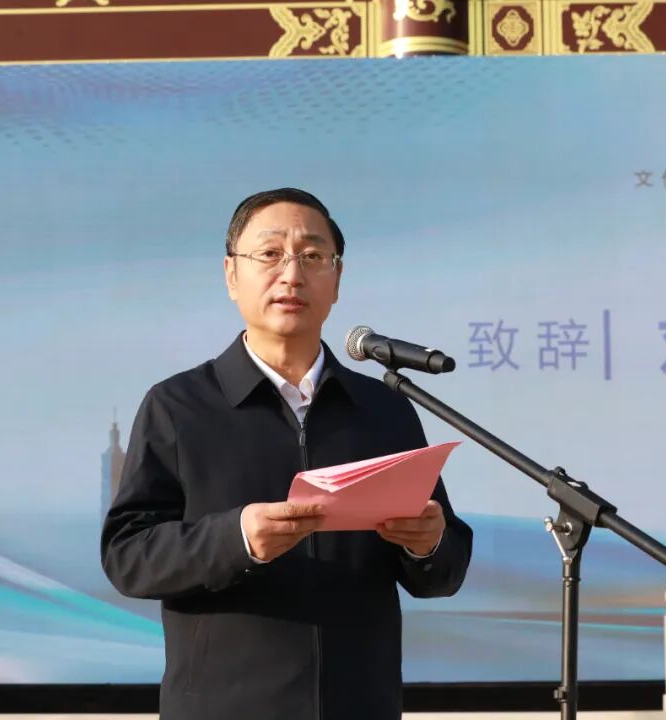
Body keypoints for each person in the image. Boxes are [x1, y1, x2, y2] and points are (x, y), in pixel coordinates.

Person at [101, 188, 472, 720]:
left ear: (337, 280)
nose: (292, 274)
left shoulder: (383, 408)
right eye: (270, 254)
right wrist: (236, 539)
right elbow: (127, 556)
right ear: (232, 275)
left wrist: (428, 543)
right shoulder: (178, 407)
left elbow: (444, 574)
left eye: (313, 256)